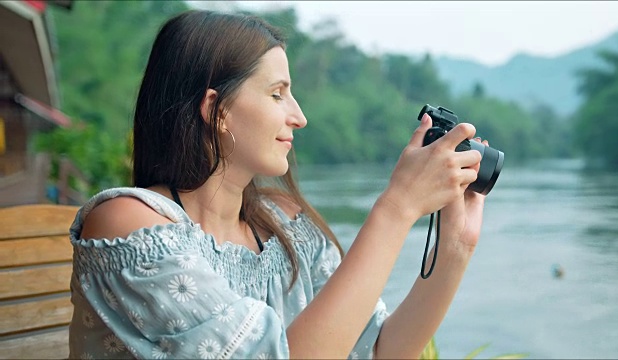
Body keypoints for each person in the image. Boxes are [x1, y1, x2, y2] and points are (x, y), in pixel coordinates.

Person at [67, 9, 487, 359]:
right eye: (277, 93)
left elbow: (380, 350)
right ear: (217, 110)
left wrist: (455, 246)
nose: (298, 116)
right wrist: (396, 209)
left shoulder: (285, 226)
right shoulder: (127, 225)